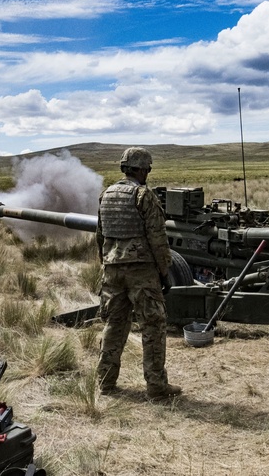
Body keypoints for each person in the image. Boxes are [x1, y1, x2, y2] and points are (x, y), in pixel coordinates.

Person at [95, 147, 182, 401]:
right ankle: (156, 387)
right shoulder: (144, 196)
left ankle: (105, 381)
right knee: (153, 326)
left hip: (112, 270)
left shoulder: (107, 195)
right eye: (147, 169)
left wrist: (107, 263)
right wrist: (165, 271)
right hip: (141, 271)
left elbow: (100, 236)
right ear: (142, 169)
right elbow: (158, 239)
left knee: (114, 324)